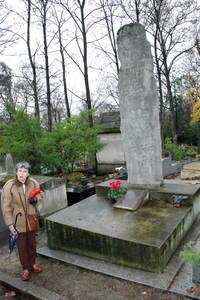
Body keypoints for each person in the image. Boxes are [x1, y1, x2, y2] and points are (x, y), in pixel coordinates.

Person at [1, 161, 43, 281]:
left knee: (32, 243)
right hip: (17, 221)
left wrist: (36, 199)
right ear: (16, 171)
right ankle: (25, 267)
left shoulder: (33, 183)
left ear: (28, 173)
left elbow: (41, 194)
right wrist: (9, 224)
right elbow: (6, 207)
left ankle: (32, 263)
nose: (22, 173)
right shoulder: (9, 186)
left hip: (31, 218)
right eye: (20, 171)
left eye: (24, 171)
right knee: (21, 245)